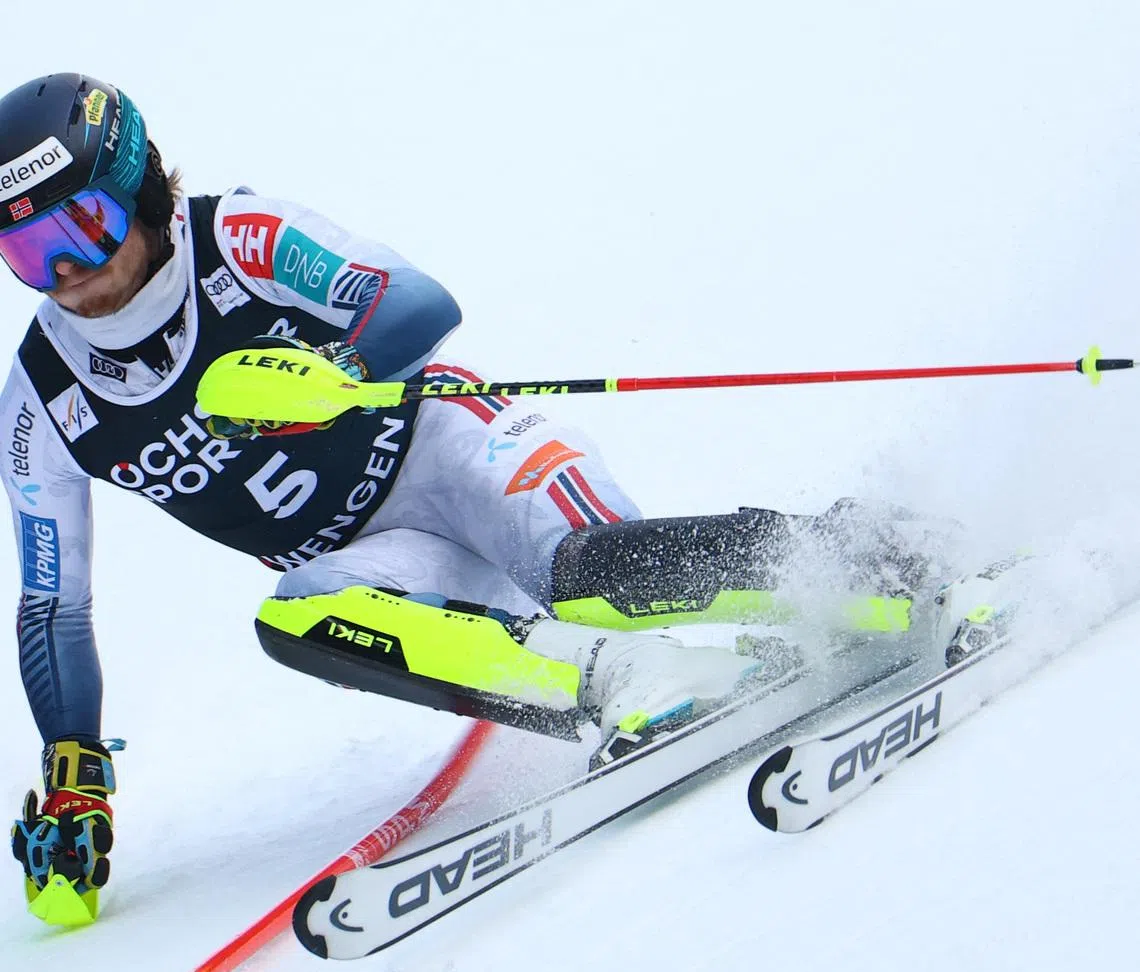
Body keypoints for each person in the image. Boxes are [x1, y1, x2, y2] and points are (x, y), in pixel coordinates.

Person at [0, 73, 1000, 926]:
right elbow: (54, 602)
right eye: (30, 256)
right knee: (297, 615)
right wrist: (75, 769)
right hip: (381, 556)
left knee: (592, 573)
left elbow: (416, 301)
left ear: (139, 187)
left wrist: (335, 369)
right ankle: (631, 681)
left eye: (81, 228)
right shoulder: (41, 400)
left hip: (454, 450)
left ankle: (875, 562)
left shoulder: (242, 239)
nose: (72, 275)